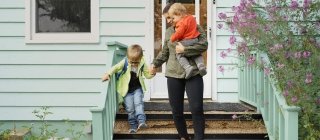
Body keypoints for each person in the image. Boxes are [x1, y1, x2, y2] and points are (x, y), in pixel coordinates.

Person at [149, 3, 207, 140]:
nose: (168, 21)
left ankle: (199, 138)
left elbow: (204, 45)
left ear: (178, 14)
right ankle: (184, 136)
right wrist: (154, 64)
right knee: (176, 111)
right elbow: (165, 52)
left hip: (194, 73)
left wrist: (185, 50)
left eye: (169, 18)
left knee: (197, 108)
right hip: (173, 74)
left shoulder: (196, 27)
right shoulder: (169, 32)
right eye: (167, 19)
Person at [102, 44, 154, 133]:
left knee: (138, 104)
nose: (133, 64)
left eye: (136, 62)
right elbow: (115, 68)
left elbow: (147, 75)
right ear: (128, 57)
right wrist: (108, 74)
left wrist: (152, 73)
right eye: (131, 62)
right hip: (126, 91)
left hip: (137, 88)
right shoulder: (125, 62)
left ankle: (141, 121)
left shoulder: (142, 63)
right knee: (130, 109)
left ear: (141, 58)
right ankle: (133, 126)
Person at [168, 3, 207, 79]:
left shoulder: (181, 23)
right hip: (195, 39)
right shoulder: (191, 18)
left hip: (187, 40)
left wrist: (172, 38)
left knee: (178, 53)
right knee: (196, 53)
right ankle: (201, 65)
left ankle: (187, 67)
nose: (172, 20)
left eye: (173, 18)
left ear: (179, 14)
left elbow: (179, 33)